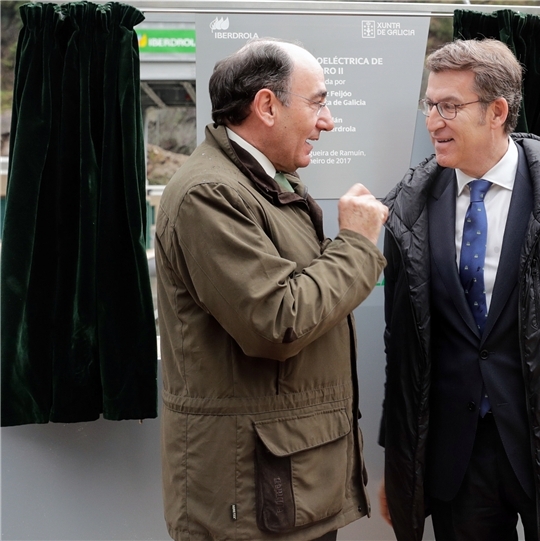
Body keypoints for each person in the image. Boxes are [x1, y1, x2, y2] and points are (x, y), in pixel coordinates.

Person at [378, 39, 540, 541]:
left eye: (449, 106)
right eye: (429, 104)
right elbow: (402, 349)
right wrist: (400, 463)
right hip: (456, 461)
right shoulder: (408, 209)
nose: (433, 120)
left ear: (497, 111)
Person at [155, 39, 388, 541]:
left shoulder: (263, 183)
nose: (328, 122)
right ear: (266, 105)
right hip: (257, 494)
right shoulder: (209, 194)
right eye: (319, 102)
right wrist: (358, 244)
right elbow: (278, 322)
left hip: (285, 483)